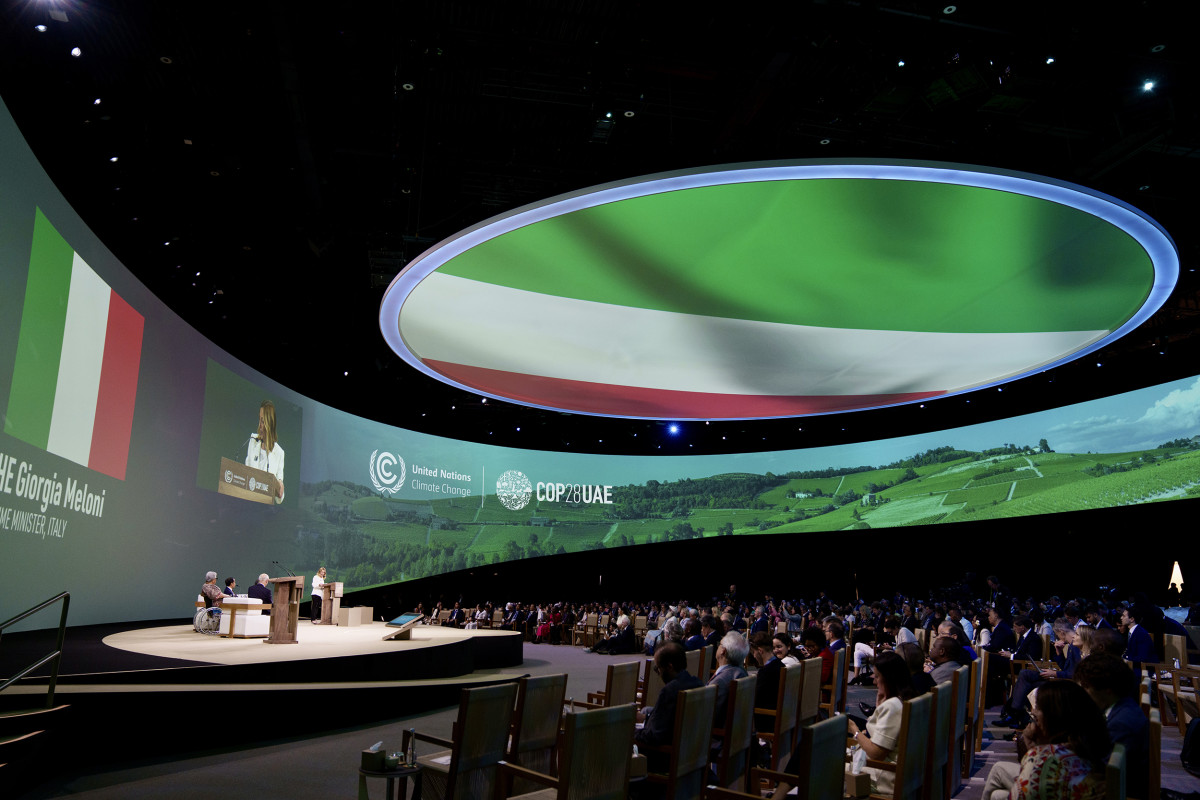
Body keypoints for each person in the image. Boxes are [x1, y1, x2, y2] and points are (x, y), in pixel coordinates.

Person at [983, 680, 1109, 800]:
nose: (1034, 712)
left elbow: (1024, 791)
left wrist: (1032, 748)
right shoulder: (1088, 742)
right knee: (997, 794)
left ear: (1053, 718)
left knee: (998, 792)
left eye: (1037, 710)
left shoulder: (1044, 757)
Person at [1074, 654, 1149, 799]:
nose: (1082, 693)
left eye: (1085, 687)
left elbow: (1101, 770)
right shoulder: (1122, 707)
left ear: (1107, 688)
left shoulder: (1123, 723)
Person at [844, 651, 913, 797]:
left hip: (884, 776)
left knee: (822, 761)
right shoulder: (908, 697)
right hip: (906, 772)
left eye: (877, 676)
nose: (874, 681)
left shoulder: (893, 706)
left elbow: (876, 754)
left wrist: (854, 730)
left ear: (888, 679)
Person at [634, 641, 702, 784]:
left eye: (658, 668)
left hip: (665, 759)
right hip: (692, 756)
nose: (658, 673)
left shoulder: (670, 691)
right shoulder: (697, 683)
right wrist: (647, 718)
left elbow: (653, 737)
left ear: (669, 667)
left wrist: (629, 730)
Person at [708, 631, 750, 757]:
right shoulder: (741, 673)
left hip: (716, 741)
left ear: (723, 651)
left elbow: (708, 714)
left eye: (719, 644)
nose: (718, 646)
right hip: (738, 738)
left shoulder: (721, 682)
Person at [246, 399, 285, 503]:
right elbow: (245, 473)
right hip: (247, 503)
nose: (260, 425)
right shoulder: (253, 440)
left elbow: (279, 498)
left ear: (270, 424)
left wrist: (280, 486)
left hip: (264, 508)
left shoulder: (279, 453)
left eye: (263, 421)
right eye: (259, 420)